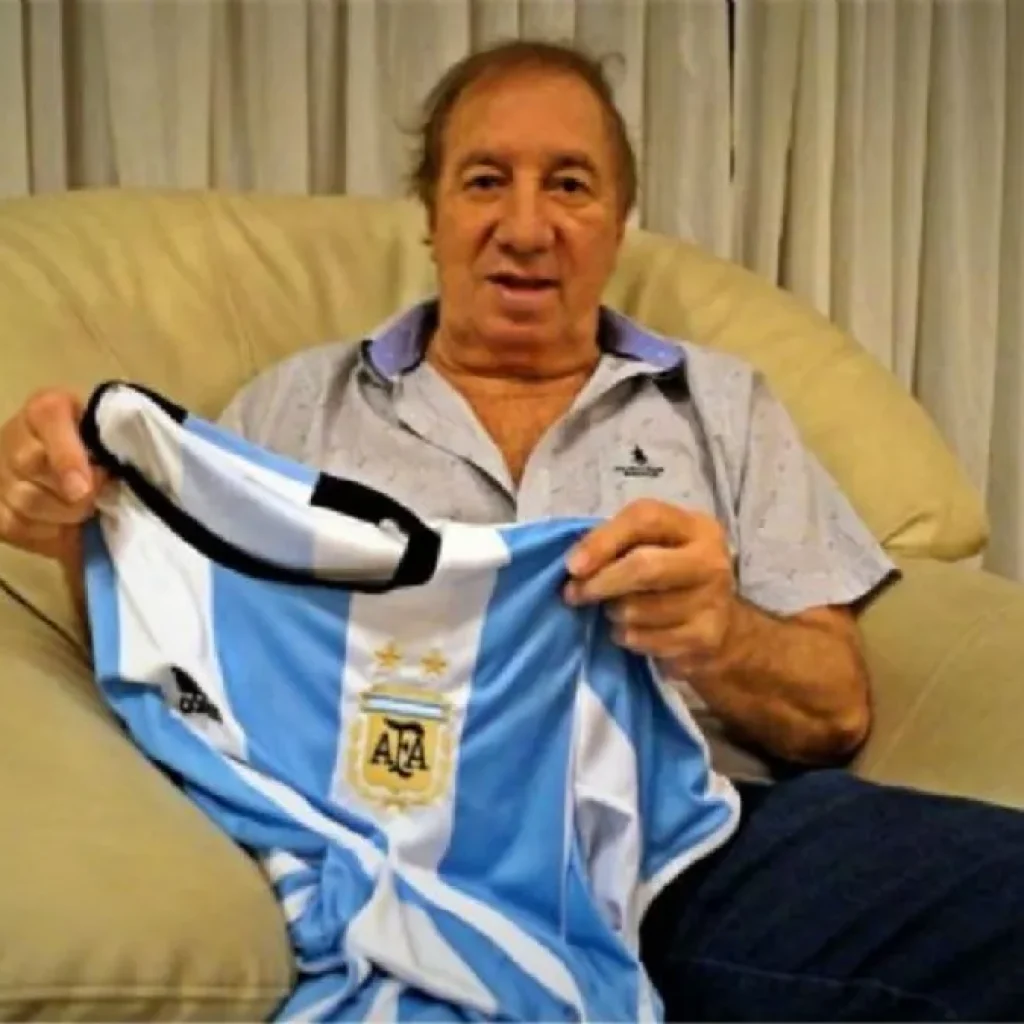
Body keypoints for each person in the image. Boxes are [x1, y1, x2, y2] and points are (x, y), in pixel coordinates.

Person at [1, 38, 1023, 1022]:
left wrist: (720, 635)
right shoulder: (297, 408)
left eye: (570, 184)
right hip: (396, 845)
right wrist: (80, 520)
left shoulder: (723, 407)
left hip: (692, 843)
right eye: (486, 180)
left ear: (619, 222)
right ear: (432, 215)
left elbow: (836, 712)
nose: (526, 228)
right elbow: (192, 664)